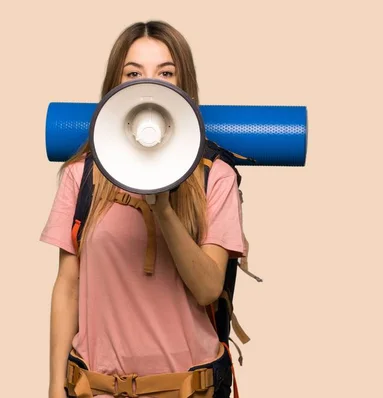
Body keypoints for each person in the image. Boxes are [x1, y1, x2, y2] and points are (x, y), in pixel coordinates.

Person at [40, 20, 247, 398]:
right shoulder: (81, 174)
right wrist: (55, 387)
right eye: (133, 72)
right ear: (115, 86)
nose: (148, 83)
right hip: (96, 388)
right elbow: (67, 287)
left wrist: (163, 207)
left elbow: (207, 289)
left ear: (183, 85)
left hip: (186, 390)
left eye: (165, 73)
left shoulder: (214, 176)